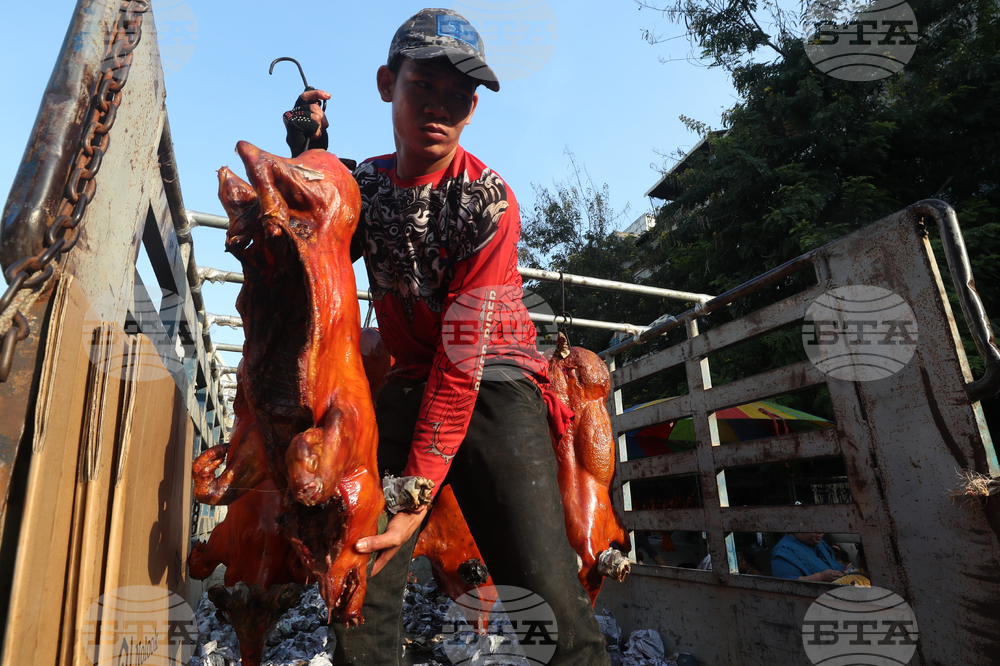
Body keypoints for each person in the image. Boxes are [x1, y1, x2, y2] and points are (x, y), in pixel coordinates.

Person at [282, 8, 611, 666]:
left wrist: (415, 496)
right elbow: (315, 230)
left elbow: (462, 366)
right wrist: (305, 151)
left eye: (457, 98)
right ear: (386, 85)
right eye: (421, 88)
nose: (438, 108)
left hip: (495, 381)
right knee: (362, 561)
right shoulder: (365, 186)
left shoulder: (486, 203)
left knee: (542, 586)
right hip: (408, 381)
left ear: (473, 109)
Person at [770, 532, 845, 582]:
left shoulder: (816, 541)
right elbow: (789, 586)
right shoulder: (783, 552)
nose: (820, 532)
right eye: (814, 526)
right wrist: (821, 577)